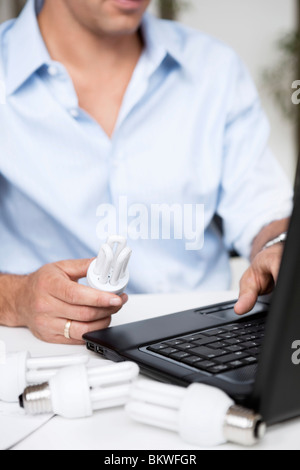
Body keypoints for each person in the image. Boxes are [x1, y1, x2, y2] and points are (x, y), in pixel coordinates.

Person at [0, 0, 293, 344]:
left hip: (199, 343)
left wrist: (279, 245)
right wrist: (16, 299)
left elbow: (264, 210)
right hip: (42, 353)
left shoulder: (214, 67)